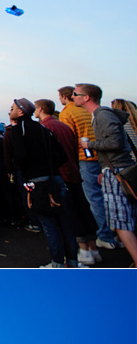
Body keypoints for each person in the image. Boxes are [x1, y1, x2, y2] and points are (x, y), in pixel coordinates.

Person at [4, 98, 79, 267]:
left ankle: (57, 263)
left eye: (12, 108)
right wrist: (49, 167)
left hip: (38, 183)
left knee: (50, 225)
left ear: (21, 112)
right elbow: (61, 156)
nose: (10, 111)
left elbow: (21, 156)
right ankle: (73, 262)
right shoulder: (43, 129)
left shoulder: (18, 130)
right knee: (65, 224)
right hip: (56, 179)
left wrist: (27, 172)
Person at [74, 84, 137, 263]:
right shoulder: (99, 115)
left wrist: (89, 145)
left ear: (86, 98)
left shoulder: (103, 115)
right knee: (124, 218)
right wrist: (103, 167)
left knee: (120, 220)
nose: (72, 97)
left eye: (75, 94)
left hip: (118, 171)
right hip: (114, 169)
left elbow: (115, 142)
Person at [34, 99, 100, 265]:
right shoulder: (63, 125)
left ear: (40, 109)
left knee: (69, 215)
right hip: (74, 170)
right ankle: (92, 248)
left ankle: (82, 251)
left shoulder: (46, 127)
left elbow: (52, 154)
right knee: (82, 209)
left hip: (62, 174)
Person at [58, 85, 118, 249]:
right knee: (110, 196)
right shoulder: (91, 112)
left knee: (94, 198)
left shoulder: (67, 113)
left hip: (85, 158)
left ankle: (105, 235)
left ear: (64, 97)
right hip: (104, 158)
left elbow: (68, 140)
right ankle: (117, 231)